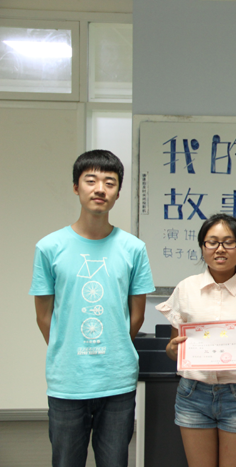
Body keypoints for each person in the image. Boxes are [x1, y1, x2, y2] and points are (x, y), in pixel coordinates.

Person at [30, 150, 155, 467]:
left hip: (117, 380)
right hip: (67, 382)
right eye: (91, 180)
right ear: (76, 187)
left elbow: (137, 314)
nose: (100, 189)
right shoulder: (49, 247)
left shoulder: (133, 249)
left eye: (109, 182)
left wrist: (114, 345)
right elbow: (43, 316)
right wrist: (66, 349)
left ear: (118, 193)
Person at [157, 214, 236, 467]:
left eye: (229, 242)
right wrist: (171, 349)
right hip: (193, 394)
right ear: (202, 246)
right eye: (212, 242)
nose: (220, 249)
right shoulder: (185, 289)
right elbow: (174, 350)